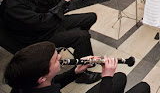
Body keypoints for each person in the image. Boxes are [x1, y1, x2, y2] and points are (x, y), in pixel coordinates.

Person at [0, 0, 101, 84]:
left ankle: (79, 48)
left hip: (47, 24)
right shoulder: (13, 7)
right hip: (38, 37)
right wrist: (65, 1)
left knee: (90, 17)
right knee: (82, 35)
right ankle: (81, 74)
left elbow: (48, 2)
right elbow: (42, 22)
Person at [4, 41, 149, 93]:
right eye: (55, 60)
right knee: (143, 87)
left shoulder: (24, 82)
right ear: (41, 77)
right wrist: (106, 77)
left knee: (120, 78)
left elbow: (54, 82)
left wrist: (75, 72)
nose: (60, 57)